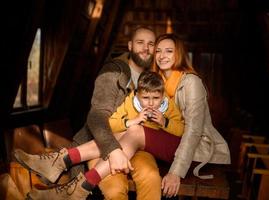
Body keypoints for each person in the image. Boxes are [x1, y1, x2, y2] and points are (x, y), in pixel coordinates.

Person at [14, 26, 163, 200]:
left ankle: (57, 162)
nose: (146, 48)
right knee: (115, 189)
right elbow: (96, 116)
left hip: (139, 146)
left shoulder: (153, 78)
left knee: (151, 177)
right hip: (105, 144)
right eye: (140, 43)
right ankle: (58, 165)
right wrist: (113, 150)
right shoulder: (113, 72)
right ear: (129, 46)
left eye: (151, 44)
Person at [14, 71, 185, 199]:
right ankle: (61, 166)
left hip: (158, 149)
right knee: (123, 132)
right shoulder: (130, 103)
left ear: (162, 96)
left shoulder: (167, 106)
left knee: (132, 136)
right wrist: (130, 121)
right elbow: (110, 124)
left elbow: (182, 131)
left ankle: (71, 173)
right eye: (145, 98)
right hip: (132, 147)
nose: (151, 103)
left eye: (156, 98)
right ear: (137, 94)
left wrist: (165, 123)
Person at [151, 33, 231, 197]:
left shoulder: (191, 82)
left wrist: (176, 172)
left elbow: (193, 130)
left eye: (168, 51)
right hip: (173, 140)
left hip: (199, 151)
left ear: (178, 54)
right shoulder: (157, 83)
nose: (162, 55)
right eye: (158, 51)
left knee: (136, 134)